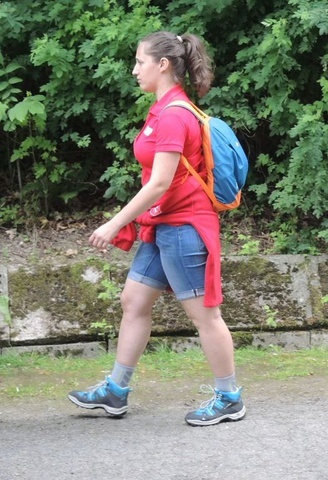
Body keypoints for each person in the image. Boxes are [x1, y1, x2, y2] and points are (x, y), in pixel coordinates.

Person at [67, 31, 245, 427]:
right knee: (133, 301)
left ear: (163, 65)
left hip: (184, 229)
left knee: (206, 317)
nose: (134, 70)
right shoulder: (164, 111)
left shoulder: (175, 114)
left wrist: (115, 223)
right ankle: (116, 390)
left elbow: (160, 183)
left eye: (139, 61)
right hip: (164, 225)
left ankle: (230, 397)